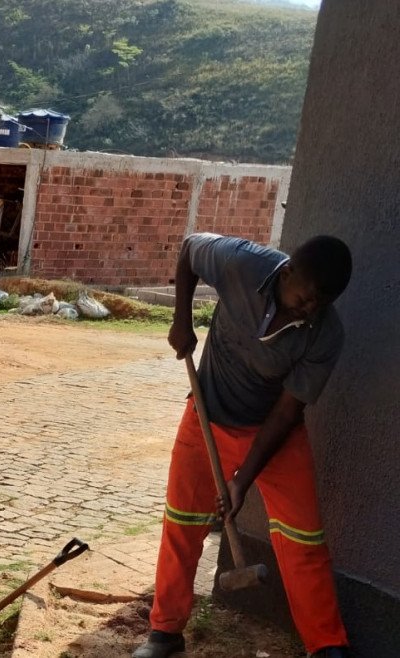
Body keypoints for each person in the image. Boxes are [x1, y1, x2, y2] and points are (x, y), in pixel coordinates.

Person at [133, 233, 353, 658]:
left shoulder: (327, 334)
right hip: (206, 413)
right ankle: (165, 632)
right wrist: (181, 318)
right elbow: (188, 250)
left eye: (318, 304)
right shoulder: (240, 263)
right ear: (286, 273)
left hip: (274, 432)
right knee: (182, 522)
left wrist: (241, 481)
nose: (308, 309)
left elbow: (288, 412)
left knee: (303, 537)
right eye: (303, 297)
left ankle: (327, 645)